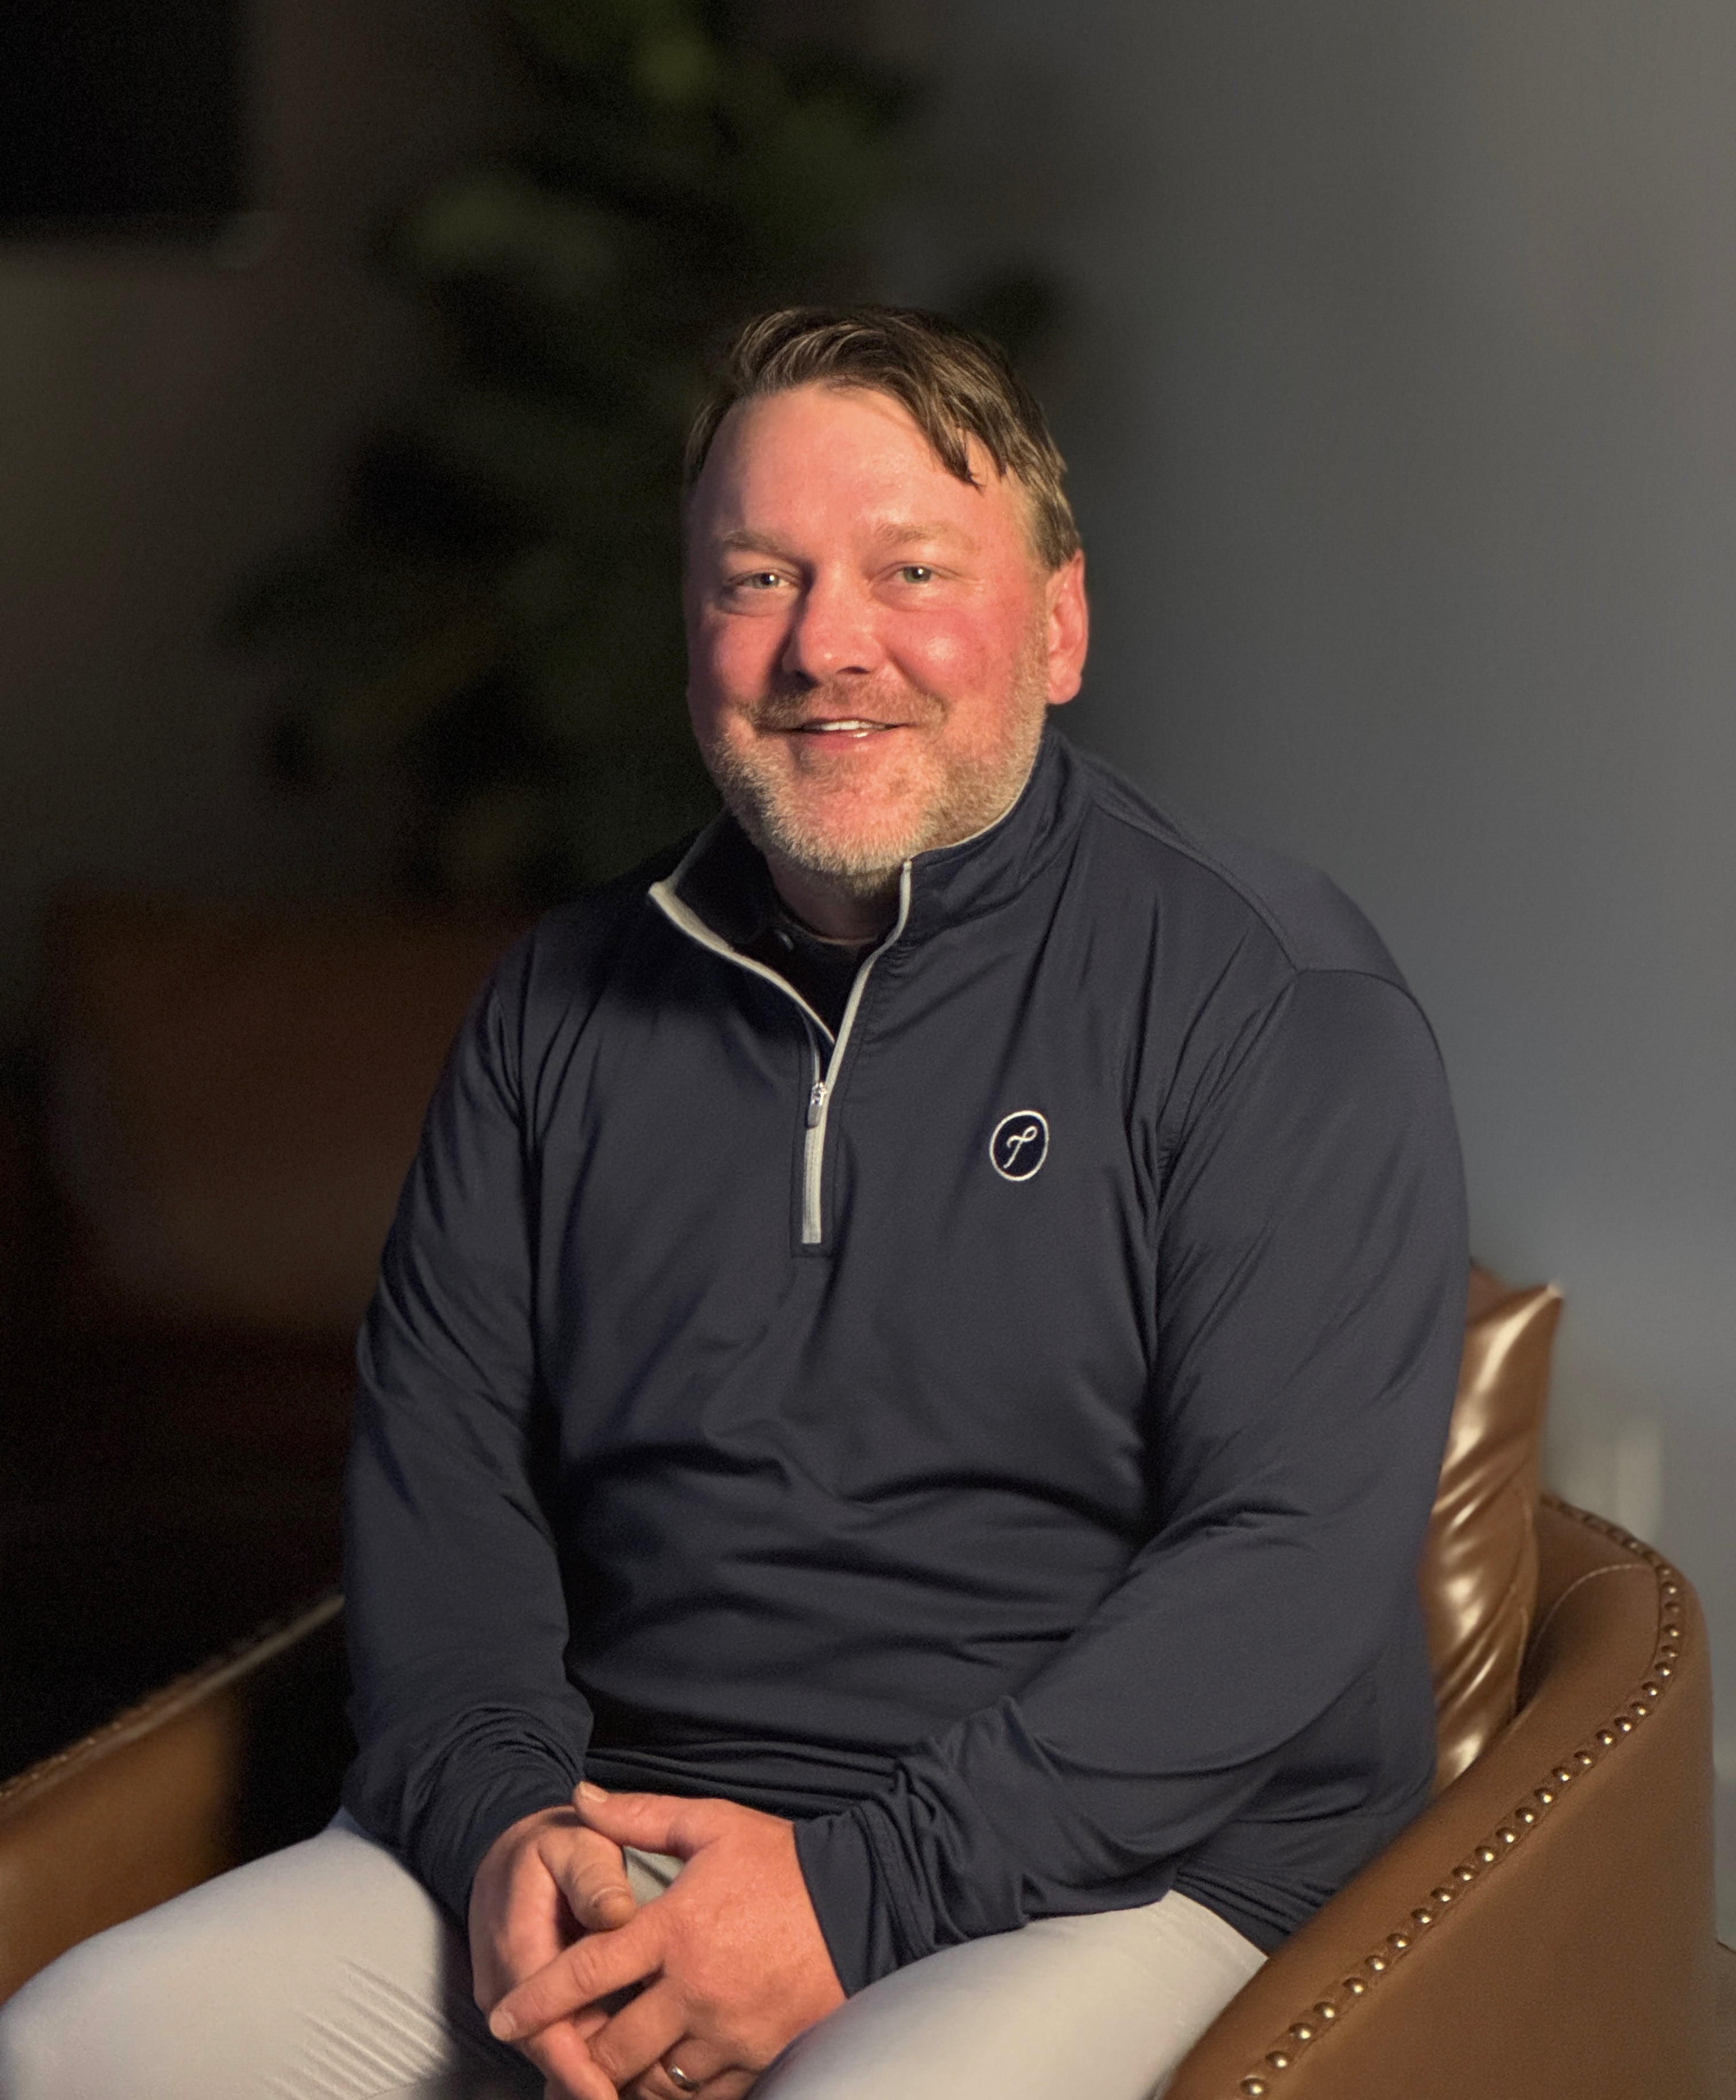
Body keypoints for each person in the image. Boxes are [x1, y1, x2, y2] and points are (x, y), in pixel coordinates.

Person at [0, 307, 1467, 2100]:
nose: (826, 645)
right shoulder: (555, 1008)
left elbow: (1282, 1566)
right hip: (616, 1828)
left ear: (1060, 623)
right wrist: (501, 1825)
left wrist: (849, 1900)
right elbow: (447, 1478)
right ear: (693, 628)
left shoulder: (1272, 1000)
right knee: (75, 2050)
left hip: (1117, 1875)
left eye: (910, 570)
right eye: (759, 578)